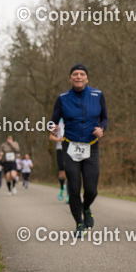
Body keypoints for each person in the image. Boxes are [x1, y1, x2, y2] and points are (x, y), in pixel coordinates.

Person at [49, 63, 108, 236]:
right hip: (70, 147)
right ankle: (79, 224)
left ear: (87, 78)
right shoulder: (63, 98)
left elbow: (104, 118)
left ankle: (86, 207)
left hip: (91, 147)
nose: (78, 76)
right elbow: (53, 120)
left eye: (82, 74)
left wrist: (102, 129)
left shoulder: (97, 95)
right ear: (70, 78)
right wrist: (51, 127)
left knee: (91, 189)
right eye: (75, 74)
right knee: (74, 188)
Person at [49, 119, 68, 202]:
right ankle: (62, 188)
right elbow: (51, 137)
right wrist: (58, 139)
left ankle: (69, 194)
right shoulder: (57, 122)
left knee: (71, 172)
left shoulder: (72, 118)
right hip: (60, 149)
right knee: (62, 175)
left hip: (70, 149)